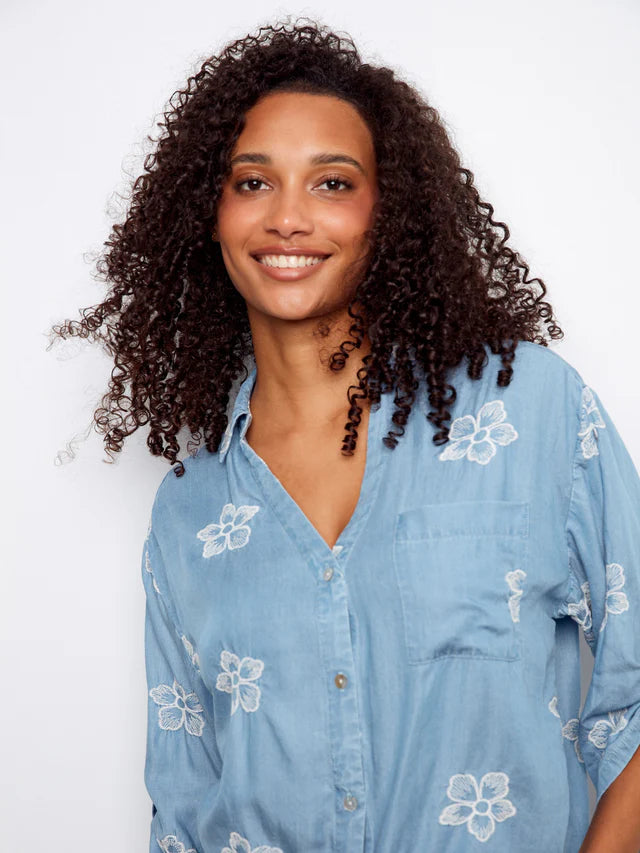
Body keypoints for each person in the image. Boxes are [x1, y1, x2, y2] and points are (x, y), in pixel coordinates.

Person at [50, 18, 640, 853]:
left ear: (386, 211)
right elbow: (183, 807)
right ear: (209, 213)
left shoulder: (532, 413)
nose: (288, 217)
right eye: (253, 181)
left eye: (331, 182)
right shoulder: (191, 509)